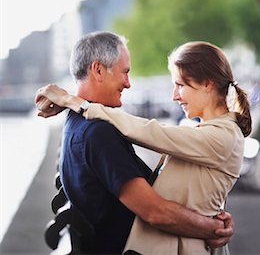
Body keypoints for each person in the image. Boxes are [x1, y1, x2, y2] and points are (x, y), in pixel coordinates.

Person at [36, 32, 234, 255]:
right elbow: (155, 212)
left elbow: (153, 168)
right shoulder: (98, 133)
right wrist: (212, 228)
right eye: (125, 72)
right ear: (98, 70)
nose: (128, 83)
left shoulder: (78, 123)